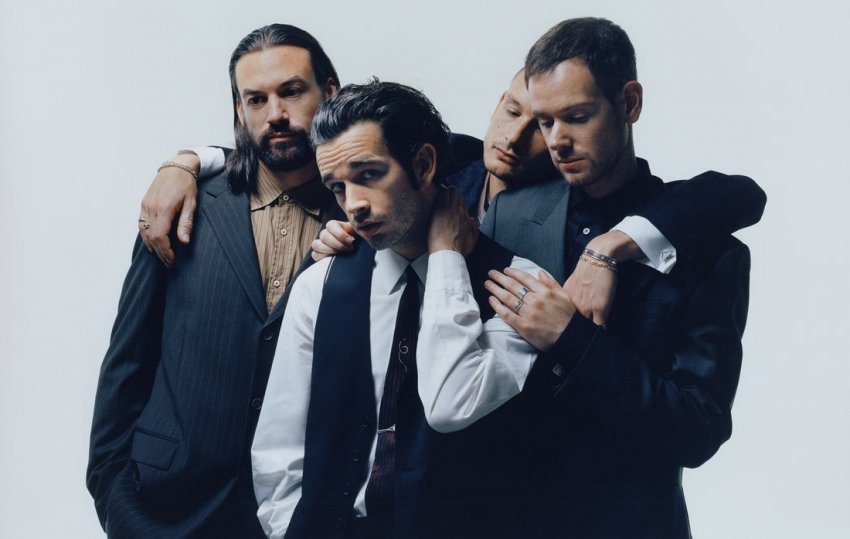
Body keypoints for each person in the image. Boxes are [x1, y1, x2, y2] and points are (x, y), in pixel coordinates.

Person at [140, 67, 764, 325]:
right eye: (511, 110)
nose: (514, 138)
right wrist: (188, 160)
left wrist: (610, 248)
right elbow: (320, 139)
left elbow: (736, 193)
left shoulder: (572, 200)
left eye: (542, 125)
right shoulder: (444, 157)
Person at [480, 17, 759, 537]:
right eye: (545, 121)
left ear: (629, 103)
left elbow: (698, 429)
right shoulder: (508, 217)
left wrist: (572, 337)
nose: (557, 141)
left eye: (577, 117)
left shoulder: (710, 252)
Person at [251, 80, 544, 539]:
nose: (353, 205)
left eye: (369, 174)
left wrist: (445, 259)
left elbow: (452, 403)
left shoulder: (519, 287)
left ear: (424, 164)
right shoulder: (319, 285)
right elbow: (278, 449)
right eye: (338, 187)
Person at [86, 24, 342, 537]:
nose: (275, 114)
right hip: (166, 508)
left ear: (330, 93)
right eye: (256, 99)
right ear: (239, 111)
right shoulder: (183, 206)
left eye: (292, 91)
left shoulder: (366, 213)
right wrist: (116, 497)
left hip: (300, 513)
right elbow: (126, 365)